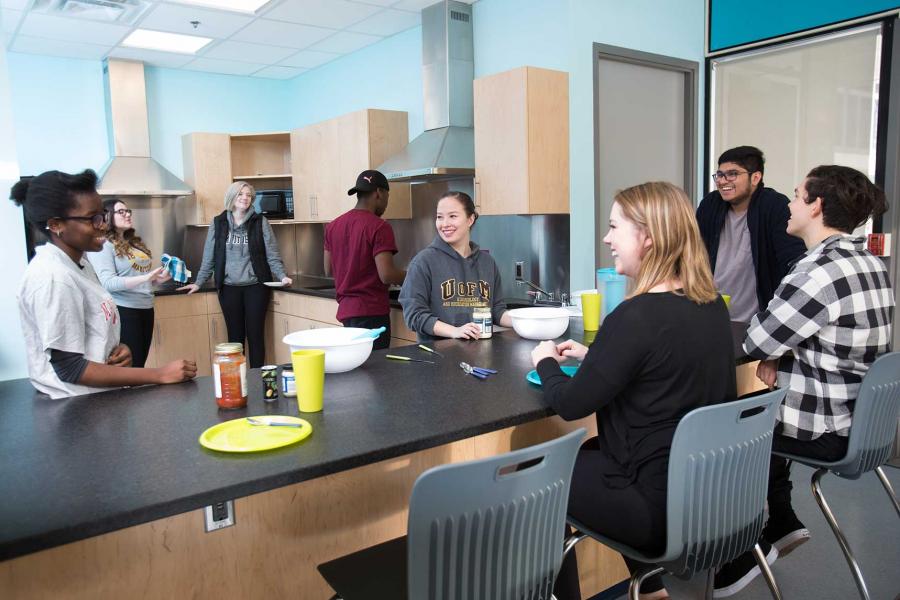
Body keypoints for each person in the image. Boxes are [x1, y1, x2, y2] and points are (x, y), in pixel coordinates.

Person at [531, 182, 737, 600]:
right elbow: (665, 362)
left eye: (614, 227)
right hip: (713, 496)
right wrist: (598, 356)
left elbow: (569, 403)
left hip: (657, 510)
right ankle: (652, 589)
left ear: (648, 237)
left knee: (544, 478)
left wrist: (545, 361)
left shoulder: (635, 316)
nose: (606, 239)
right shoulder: (712, 305)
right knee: (591, 455)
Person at [713, 166, 894, 597]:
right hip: (864, 424)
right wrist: (782, 353)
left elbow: (757, 339)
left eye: (797, 196)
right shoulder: (869, 263)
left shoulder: (817, 272)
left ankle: (740, 555)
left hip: (826, 426)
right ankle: (780, 518)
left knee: (727, 432)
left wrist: (775, 352)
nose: (789, 206)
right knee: (768, 408)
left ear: (816, 206)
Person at [12, 170, 197, 399]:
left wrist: (119, 350)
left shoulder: (80, 265)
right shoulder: (53, 277)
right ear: (56, 224)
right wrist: (159, 374)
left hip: (95, 398)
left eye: (102, 216)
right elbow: (70, 369)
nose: (103, 225)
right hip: (74, 406)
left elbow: (89, 338)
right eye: (93, 219)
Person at [180, 181, 291, 368]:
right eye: (240, 194)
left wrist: (282, 276)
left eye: (248, 195)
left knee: (255, 335)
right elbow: (209, 257)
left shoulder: (260, 222)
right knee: (235, 338)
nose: (245, 198)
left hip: (256, 287)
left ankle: (257, 379)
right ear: (232, 197)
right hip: (229, 288)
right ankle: (238, 378)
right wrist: (199, 282)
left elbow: (272, 254)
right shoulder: (218, 223)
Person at [696, 146, 806, 323]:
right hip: (711, 315)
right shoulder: (711, 204)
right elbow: (693, 252)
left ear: (755, 177)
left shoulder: (774, 206)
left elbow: (794, 261)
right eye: (720, 175)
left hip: (757, 322)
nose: (723, 181)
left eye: (732, 174)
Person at [399, 191, 513, 342]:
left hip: (481, 350)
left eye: (452, 216)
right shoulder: (423, 262)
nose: (444, 224)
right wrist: (455, 331)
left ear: (470, 219)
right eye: (440, 217)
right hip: (439, 353)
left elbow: (497, 310)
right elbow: (414, 315)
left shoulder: (487, 262)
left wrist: (528, 321)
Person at [324, 170, 406, 350]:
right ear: (379, 193)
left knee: (356, 362)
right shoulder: (379, 226)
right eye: (387, 196)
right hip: (372, 311)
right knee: (376, 365)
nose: (387, 203)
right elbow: (387, 275)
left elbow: (328, 270)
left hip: (347, 312)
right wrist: (416, 275)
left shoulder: (333, 226)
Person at [87, 198, 171, 368]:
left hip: (146, 306)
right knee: (131, 366)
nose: (127, 214)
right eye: (121, 212)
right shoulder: (103, 245)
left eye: (128, 211)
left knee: (140, 362)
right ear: (107, 216)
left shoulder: (133, 243)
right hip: (124, 310)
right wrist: (146, 278)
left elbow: (137, 278)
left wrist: (155, 280)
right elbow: (108, 282)